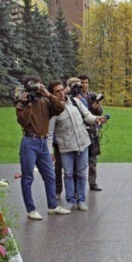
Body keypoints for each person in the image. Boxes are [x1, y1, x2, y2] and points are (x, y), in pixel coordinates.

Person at [14, 75, 71, 220]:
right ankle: (31, 210)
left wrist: (48, 94)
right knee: (28, 177)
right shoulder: (21, 103)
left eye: (39, 85)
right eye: (34, 86)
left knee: (50, 176)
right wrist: (26, 104)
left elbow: (60, 108)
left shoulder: (45, 101)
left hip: (43, 143)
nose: (37, 89)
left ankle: (52, 206)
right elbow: (24, 122)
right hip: (29, 142)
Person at [48, 78, 107, 211]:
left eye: (62, 89)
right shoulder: (53, 110)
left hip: (82, 143)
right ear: (52, 94)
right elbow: (49, 133)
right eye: (57, 91)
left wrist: (96, 119)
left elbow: (87, 115)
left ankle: (81, 200)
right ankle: (70, 200)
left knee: (81, 174)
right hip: (66, 147)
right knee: (68, 174)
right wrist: (49, 151)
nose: (61, 93)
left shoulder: (75, 101)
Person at [78, 75, 104, 192]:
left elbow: (100, 111)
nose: (84, 85)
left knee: (92, 158)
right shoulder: (75, 97)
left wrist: (97, 108)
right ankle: (79, 183)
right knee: (79, 158)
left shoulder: (93, 96)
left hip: (92, 129)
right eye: (82, 82)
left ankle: (92, 182)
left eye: (86, 82)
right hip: (80, 129)